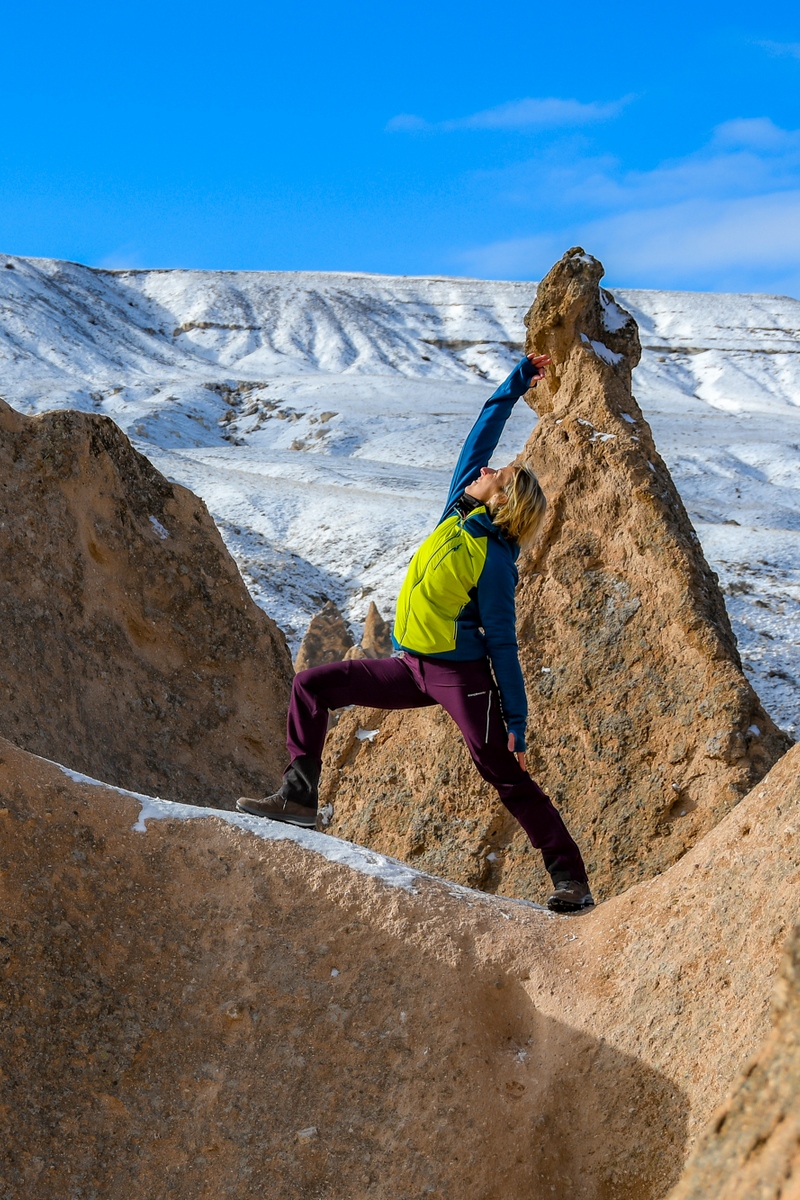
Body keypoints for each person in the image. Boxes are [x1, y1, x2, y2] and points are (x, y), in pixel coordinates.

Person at [237, 352, 595, 914]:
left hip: (461, 678)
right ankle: (300, 797)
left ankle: (571, 879)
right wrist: (520, 377)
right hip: (408, 667)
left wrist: (518, 723)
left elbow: (502, 642)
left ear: (503, 501)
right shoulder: (457, 511)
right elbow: (481, 432)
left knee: (502, 773)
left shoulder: (495, 559)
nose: (484, 471)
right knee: (313, 686)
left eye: (494, 476)